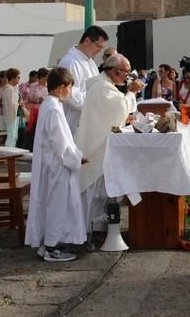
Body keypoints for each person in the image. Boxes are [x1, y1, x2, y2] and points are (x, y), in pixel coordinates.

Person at [25, 67, 88, 262]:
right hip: (57, 165)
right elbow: (59, 140)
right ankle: (52, 246)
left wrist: (75, 154)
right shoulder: (53, 108)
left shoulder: (51, 104)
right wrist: (77, 157)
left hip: (53, 163)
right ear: (62, 87)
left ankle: (49, 243)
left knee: (53, 203)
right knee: (57, 205)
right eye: (70, 87)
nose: (71, 92)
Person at [76, 54, 131, 235]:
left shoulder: (104, 85)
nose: (128, 76)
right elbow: (120, 108)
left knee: (101, 194)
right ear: (115, 71)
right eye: (126, 72)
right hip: (95, 149)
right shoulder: (101, 87)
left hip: (98, 145)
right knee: (95, 194)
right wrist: (133, 92)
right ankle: (88, 231)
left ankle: (97, 229)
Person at [59, 25, 109, 134]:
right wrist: (95, 103)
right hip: (73, 123)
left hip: (89, 122)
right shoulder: (70, 62)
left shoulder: (90, 62)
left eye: (102, 48)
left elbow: (96, 87)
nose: (100, 51)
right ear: (87, 40)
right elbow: (70, 95)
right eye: (98, 46)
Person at [2, 68, 24, 147]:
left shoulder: (14, 89)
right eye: (18, 77)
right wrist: (19, 104)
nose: (19, 79)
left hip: (15, 114)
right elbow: (10, 104)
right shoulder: (8, 89)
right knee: (11, 135)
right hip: (10, 115)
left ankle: (11, 150)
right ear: (12, 78)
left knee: (14, 135)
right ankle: (8, 152)